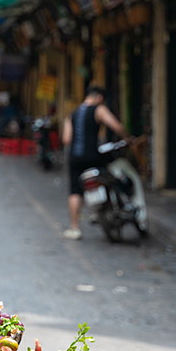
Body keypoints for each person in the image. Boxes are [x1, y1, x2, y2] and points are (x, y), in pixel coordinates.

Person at [62, 85, 127, 240]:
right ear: (99, 98)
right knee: (106, 178)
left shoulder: (73, 114)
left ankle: (74, 228)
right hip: (93, 156)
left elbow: (66, 139)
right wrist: (127, 137)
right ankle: (98, 211)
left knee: (75, 191)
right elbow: (116, 126)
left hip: (74, 158)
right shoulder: (99, 110)